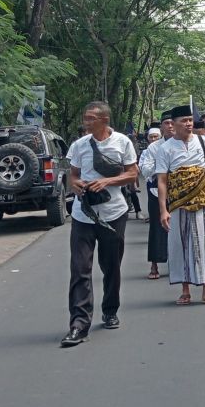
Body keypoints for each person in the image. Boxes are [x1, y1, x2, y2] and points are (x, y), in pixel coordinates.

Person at [61, 102, 138, 347]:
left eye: (91, 118)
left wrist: (106, 182)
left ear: (104, 119)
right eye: (85, 118)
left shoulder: (122, 142)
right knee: (80, 268)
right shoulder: (79, 145)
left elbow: (132, 173)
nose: (86, 122)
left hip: (114, 213)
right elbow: (72, 175)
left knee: (111, 265)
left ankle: (110, 308)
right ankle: (78, 324)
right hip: (83, 215)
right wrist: (77, 185)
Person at [153, 105, 205, 306]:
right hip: (180, 205)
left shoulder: (202, 141)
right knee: (182, 244)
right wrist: (163, 210)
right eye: (183, 121)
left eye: (190, 120)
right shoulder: (165, 149)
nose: (188, 124)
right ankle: (185, 290)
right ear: (173, 124)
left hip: (203, 203)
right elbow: (162, 180)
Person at [139, 124, 168, 280]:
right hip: (156, 191)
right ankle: (155, 263)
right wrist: (162, 167)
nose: (170, 126)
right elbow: (145, 170)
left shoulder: (188, 143)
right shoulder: (152, 149)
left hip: (180, 193)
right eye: (167, 123)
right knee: (157, 228)